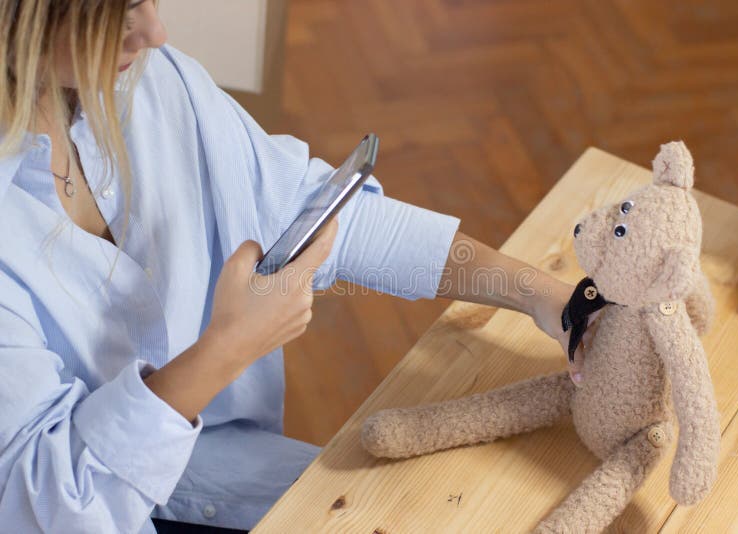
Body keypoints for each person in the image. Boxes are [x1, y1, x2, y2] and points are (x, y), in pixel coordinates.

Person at [0, 1, 593, 532]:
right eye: (119, 12)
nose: (155, 31)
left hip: (219, 469)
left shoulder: (154, 86)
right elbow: (48, 503)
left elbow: (327, 218)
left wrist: (551, 298)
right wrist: (230, 347)